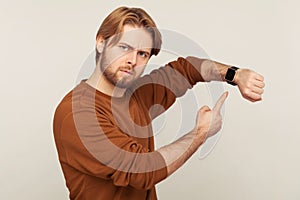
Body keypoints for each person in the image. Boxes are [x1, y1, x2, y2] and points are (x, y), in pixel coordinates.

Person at [53, 6, 265, 200]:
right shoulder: (76, 114)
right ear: (101, 42)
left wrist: (235, 74)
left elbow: (186, 69)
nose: (132, 61)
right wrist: (200, 133)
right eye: (124, 47)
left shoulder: (136, 95)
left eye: (142, 53)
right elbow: (141, 170)